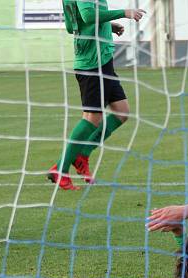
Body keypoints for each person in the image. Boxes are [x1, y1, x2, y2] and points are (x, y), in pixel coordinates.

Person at [48, 1, 146, 190]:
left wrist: (107, 25)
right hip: (93, 64)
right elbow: (88, 16)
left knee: (121, 111)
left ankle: (82, 154)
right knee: (92, 117)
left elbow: (72, 25)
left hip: (102, 59)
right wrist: (123, 12)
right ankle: (60, 168)